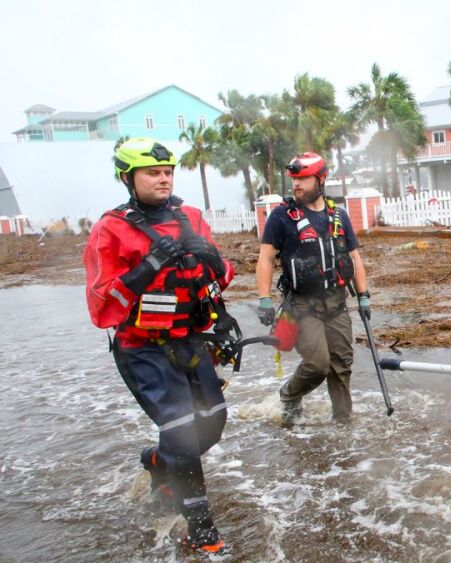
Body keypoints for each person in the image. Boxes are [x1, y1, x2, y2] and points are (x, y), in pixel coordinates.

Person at [84, 138, 236, 553]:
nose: (163, 178)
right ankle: (202, 532)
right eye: (153, 172)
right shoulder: (110, 229)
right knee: (184, 434)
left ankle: (158, 460)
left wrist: (213, 260)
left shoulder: (191, 217)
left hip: (189, 339)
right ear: (128, 178)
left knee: (213, 421)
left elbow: (218, 280)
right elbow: (101, 309)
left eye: (168, 171)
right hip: (142, 348)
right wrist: (148, 266)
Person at [255, 152, 370, 426]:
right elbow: (266, 258)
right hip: (303, 307)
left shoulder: (338, 216)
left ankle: (344, 422)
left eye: (304, 178)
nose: (296, 184)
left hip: (337, 304)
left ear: (321, 179)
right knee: (318, 364)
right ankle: (289, 394)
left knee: (341, 365)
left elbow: (354, 258)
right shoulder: (281, 217)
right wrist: (264, 299)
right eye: (294, 179)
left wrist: (363, 295)